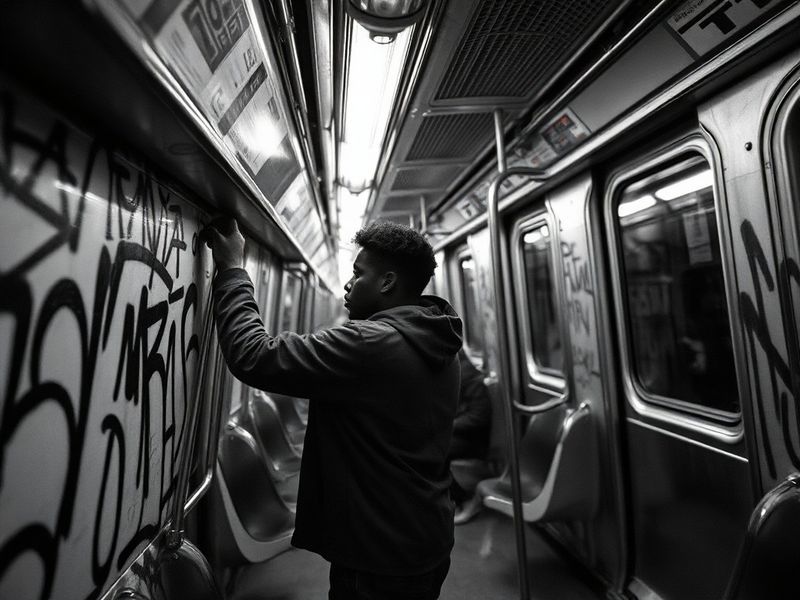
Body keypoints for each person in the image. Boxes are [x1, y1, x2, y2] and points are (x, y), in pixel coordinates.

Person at [203, 218, 462, 600]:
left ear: (387, 283)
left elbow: (254, 355)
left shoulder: (370, 343)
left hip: (379, 552)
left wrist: (234, 269)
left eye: (358, 274)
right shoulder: (438, 339)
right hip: (424, 533)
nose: (348, 283)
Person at [449, 349, 491, 524]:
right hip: (460, 434)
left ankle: (465, 499)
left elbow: (478, 418)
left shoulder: (469, 377)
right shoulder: (454, 373)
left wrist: (446, 426)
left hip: (473, 440)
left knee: (434, 452)